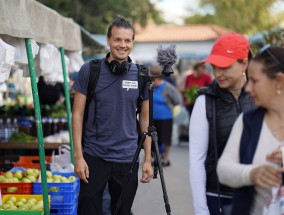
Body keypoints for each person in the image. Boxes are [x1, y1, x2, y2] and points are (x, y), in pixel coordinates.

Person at [72, 16, 153, 215]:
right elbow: (77, 114)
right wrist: (78, 156)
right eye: (117, 39)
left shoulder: (142, 75)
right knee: (88, 208)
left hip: (127, 157)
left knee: (122, 211)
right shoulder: (90, 71)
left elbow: (145, 120)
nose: (122, 45)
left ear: (132, 42)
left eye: (127, 40)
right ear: (108, 40)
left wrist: (148, 159)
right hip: (94, 155)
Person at [189, 33, 255, 215]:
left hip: (258, 196)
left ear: (244, 64)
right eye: (214, 66)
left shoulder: (262, 95)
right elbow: (196, 159)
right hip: (217, 197)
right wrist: (201, 209)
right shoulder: (205, 101)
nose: (218, 73)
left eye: (224, 67)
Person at [217, 46, 284, 215]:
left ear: (279, 81)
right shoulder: (248, 122)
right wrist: (251, 174)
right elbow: (223, 169)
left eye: (255, 81)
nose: (248, 88)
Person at [151, 66, 183, 166]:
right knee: (152, 139)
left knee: (166, 139)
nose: (151, 81)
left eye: (153, 79)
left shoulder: (168, 87)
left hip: (165, 117)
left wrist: (170, 106)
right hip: (152, 118)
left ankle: (166, 158)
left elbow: (177, 100)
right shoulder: (150, 87)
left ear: (158, 78)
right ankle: (155, 158)